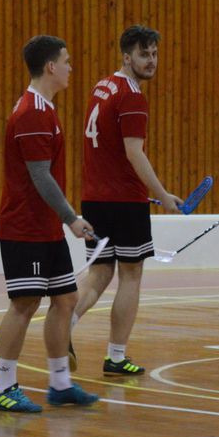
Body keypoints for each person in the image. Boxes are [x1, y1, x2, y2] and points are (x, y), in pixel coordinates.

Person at [0, 35, 101, 414]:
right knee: (24, 303)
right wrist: (71, 218)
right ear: (51, 66)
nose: (71, 68)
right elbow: (40, 175)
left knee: (66, 299)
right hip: (25, 228)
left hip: (44, 228)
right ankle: (4, 386)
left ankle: (60, 383)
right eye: (66, 61)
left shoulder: (44, 108)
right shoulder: (33, 113)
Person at [71, 25, 183, 375]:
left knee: (100, 273)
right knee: (131, 275)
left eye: (154, 54)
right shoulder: (132, 96)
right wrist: (162, 195)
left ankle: (63, 326)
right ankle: (116, 357)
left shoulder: (102, 86)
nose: (151, 61)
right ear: (126, 56)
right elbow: (134, 153)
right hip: (124, 202)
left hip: (94, 199)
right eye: (143, 54)